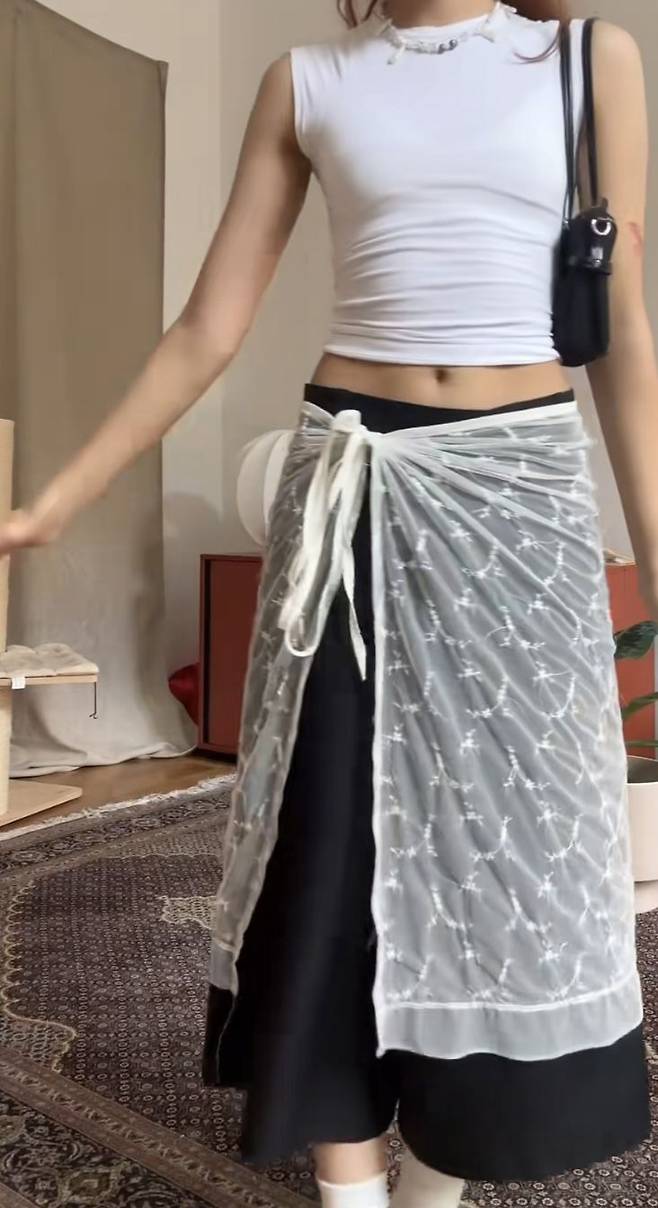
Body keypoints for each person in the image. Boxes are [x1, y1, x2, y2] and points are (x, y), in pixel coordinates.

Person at [0, 1, 655, 1205]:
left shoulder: (585, 59)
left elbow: (620, 329)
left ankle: (439, 1177)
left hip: (519, 491)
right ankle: (349, 1185)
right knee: (330, 834)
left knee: (510, 843)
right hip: (350, 478)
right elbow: (206, 327)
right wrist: (53, 501)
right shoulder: (305, 80)